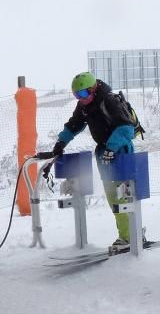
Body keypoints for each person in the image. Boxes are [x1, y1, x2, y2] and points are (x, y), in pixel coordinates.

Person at [36, 72, 140, 251]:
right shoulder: (85, 106)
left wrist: (111, 148)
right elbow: (74, 125)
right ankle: (129, 233)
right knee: (112, 195)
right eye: (77, 95)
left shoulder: (109, 101)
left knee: (124, 193)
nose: (81, 99)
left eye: (83, 94)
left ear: (93, 89)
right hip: (103, 152)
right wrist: (61, 142)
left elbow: (126, 128)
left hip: (121, 151)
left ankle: (130, 235)